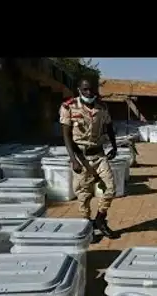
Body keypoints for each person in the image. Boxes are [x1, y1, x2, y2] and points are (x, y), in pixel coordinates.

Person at [59, 78, 119, 239]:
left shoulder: (102, 107)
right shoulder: (68, 107)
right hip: (81, 156)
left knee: (110, 188)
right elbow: (66, 136)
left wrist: (114, 146)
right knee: (84, 195)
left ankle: (100, 219)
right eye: (85, 89)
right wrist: (73, 160)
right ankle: (87, 227)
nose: (89, 93)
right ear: (79, 89)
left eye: (92, 89)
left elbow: (109, 127)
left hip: (99, 155)